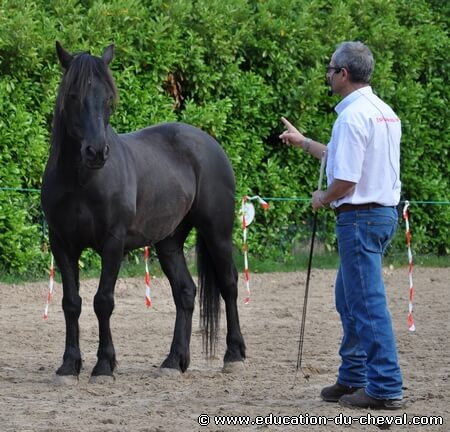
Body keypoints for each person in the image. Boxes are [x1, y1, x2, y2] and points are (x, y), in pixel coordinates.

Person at [280, 41, 404, 410]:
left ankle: (383, 385)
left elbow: (346, 180)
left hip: (360, 217)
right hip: (379, 215)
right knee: (348, 298)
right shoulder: (383, 112)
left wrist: (323, 197)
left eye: (331, 70)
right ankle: (353, 377)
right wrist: (304, 143)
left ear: (344, 74)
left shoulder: (351, 117)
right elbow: (340, 156)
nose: (328, 75)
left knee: (366, 303)